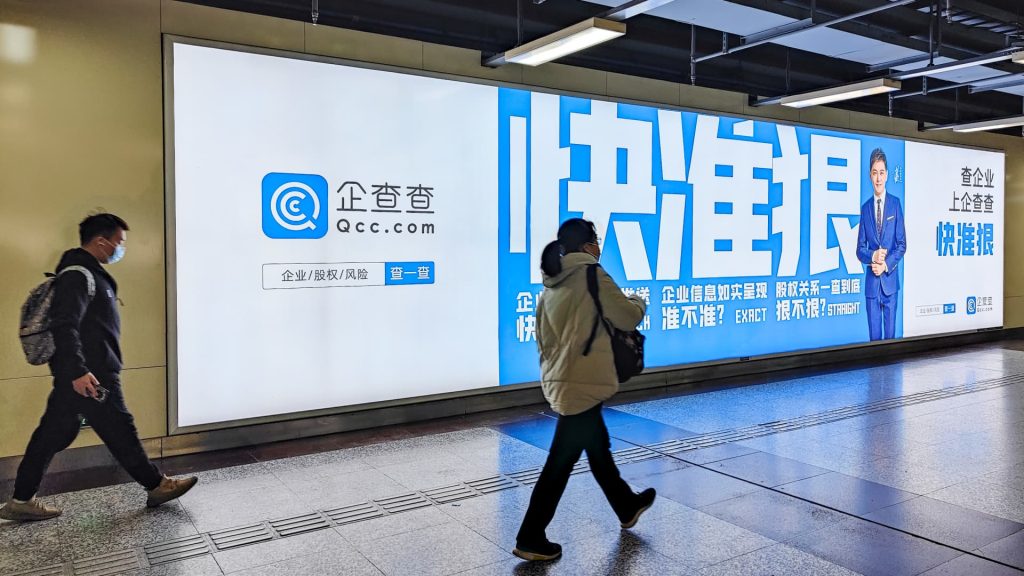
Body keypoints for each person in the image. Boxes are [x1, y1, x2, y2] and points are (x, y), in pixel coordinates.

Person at [0, 214, 197, 522]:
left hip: (84, 373)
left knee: (51, 435)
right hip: (92, 374)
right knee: (120, 429)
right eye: (119, 242)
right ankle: (156, 484)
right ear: (101, 241)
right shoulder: (78, 275)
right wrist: (77, 371)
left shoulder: (88, 273)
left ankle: (21, 499)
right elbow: (65, 325)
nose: (121, 248)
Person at [514, 218, 656, 562]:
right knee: (560, 462)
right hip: (584, 380)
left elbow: (543, 338)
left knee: (597, 447)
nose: (599, 246)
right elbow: (626, 316)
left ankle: (626, 505)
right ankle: (530, 536)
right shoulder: (591, 274)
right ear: (588, 244)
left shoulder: (551, 283)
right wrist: (639, 301)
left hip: (563, 378)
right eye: (596, 240)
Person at [856, 148, 907, 341]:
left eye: (882, 173)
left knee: (890, 341)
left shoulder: (895, 204)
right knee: (874, 342)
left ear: (887, 175)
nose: (878, 178)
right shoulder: (865, 209)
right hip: (872, 287)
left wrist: (885, 264)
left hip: (890, 285)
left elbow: (902, 244)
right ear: (870, 175)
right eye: (875, 173)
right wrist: (873, 256)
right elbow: (859, 250)